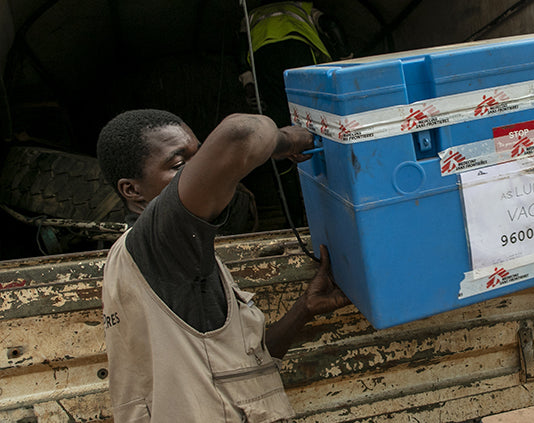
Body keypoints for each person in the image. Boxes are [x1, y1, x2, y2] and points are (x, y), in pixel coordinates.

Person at [96, 109, 350, 422]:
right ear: (131, 190)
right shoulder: (160, 240)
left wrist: (304, 310)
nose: (198, 170)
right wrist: (287, 141)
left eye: (199, 156)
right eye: (179, 165)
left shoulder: (161, 254)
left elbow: (234, 367)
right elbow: (240, 134)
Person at [238, 1, 351, 228]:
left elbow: (240, 52)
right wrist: (346, 58)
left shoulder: (249, 16)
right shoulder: (303, 6)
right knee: (315, 120)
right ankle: (333, 203)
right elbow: (330, 25)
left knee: (280, 133)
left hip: (263, 59)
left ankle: (295, 218)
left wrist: (249, 86)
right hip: (299, 52)